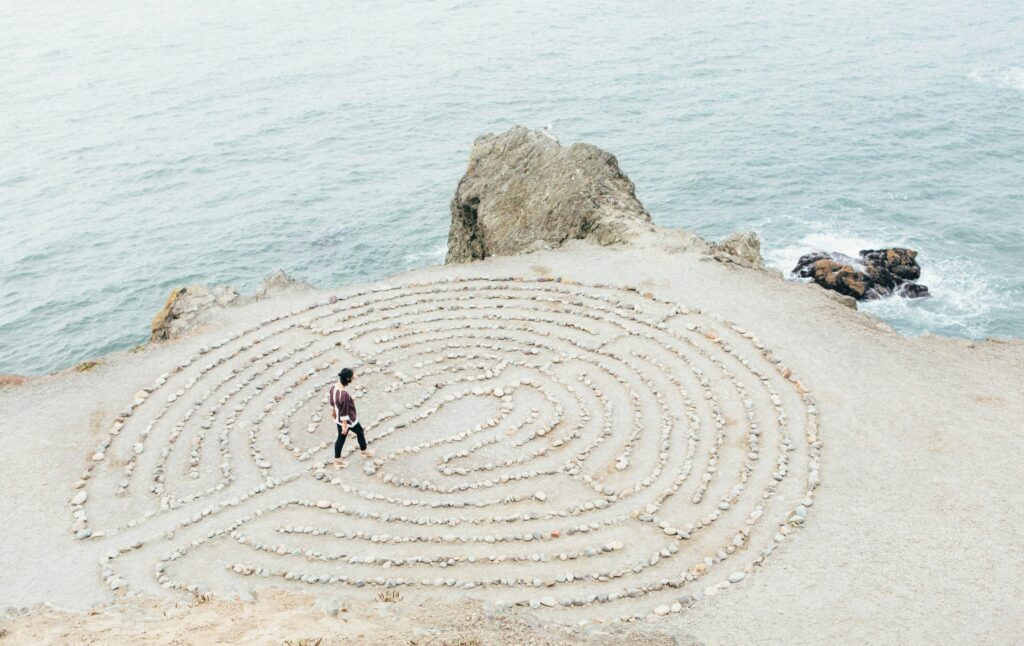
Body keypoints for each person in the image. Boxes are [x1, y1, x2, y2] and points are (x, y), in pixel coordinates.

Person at [329, 368, 370, 468]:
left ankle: (337, 459)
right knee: (360, 431)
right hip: (348, 420)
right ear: (347, 379)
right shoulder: (344, 395)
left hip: (338, 418)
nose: (354, 377)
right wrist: (344, 426)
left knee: (341, 438)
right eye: (352, 377)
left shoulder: (333, 387)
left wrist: (333, 411)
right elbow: (344, 411)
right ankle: (364, 451)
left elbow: (331, 400)